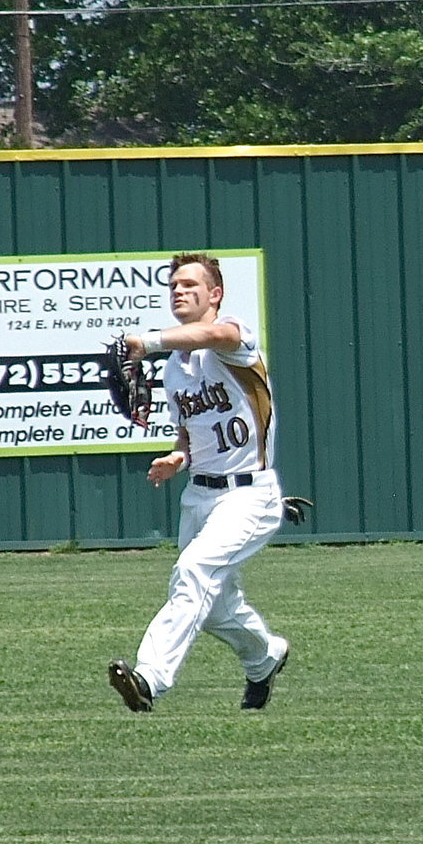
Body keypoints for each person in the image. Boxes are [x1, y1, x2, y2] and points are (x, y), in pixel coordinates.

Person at [107, 252, 289, 713]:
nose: (179, 291)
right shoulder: (175, 370)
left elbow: (212, 334)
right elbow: (191, 430)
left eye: (191, 284)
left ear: (216, 294)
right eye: (173, 286)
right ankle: (265, 657)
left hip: (250, 495)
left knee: (193, 573)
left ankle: (149, 679)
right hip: (200, 494)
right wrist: (179, 457)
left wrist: (146, 342)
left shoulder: (235, 336)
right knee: (215, 608)